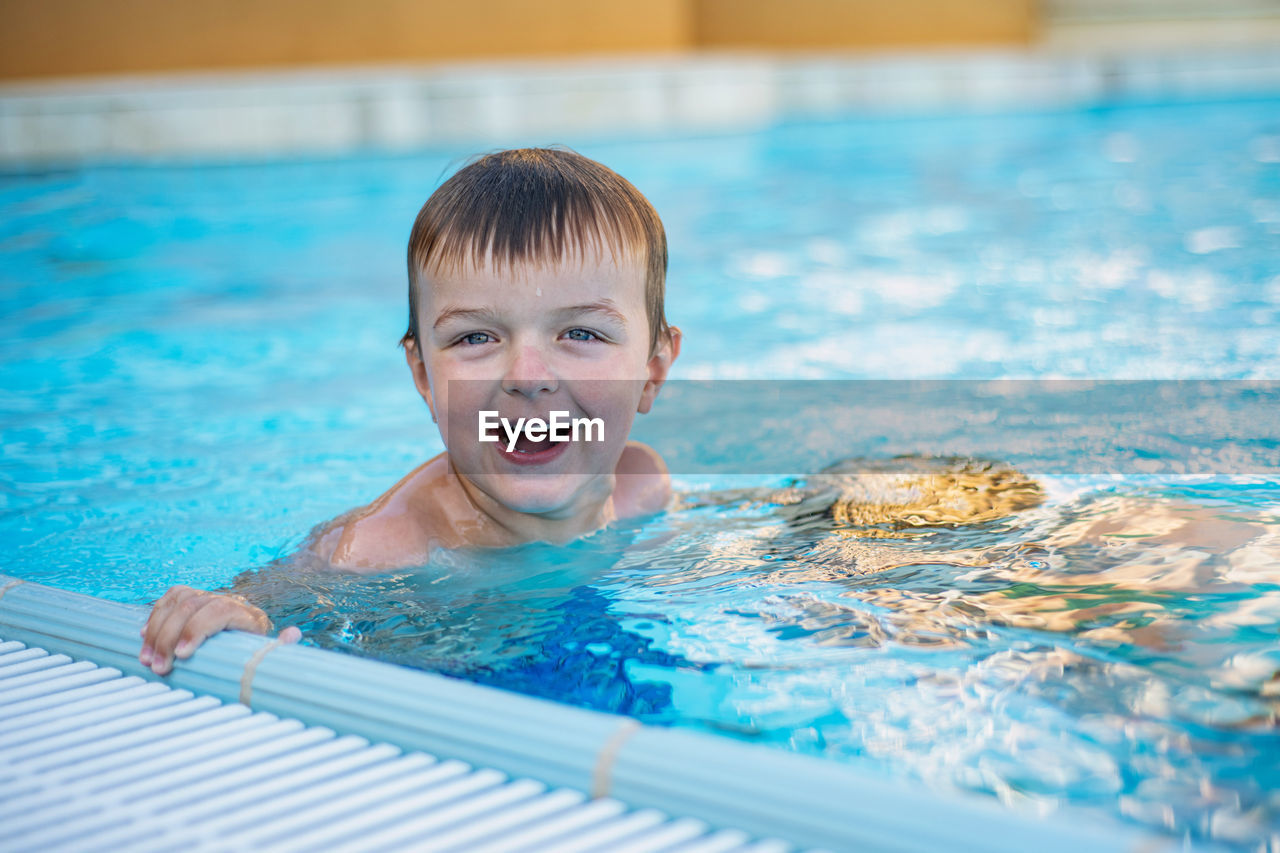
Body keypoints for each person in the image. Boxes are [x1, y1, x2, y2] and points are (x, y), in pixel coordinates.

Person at [139, 147, 682, 676]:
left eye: (582, 333)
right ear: (423, 375)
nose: (528, 376)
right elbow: (265, 603)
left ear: (652, 371)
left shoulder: (641, 487)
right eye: (476, 337)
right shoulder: (381, 555)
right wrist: (233, 612)